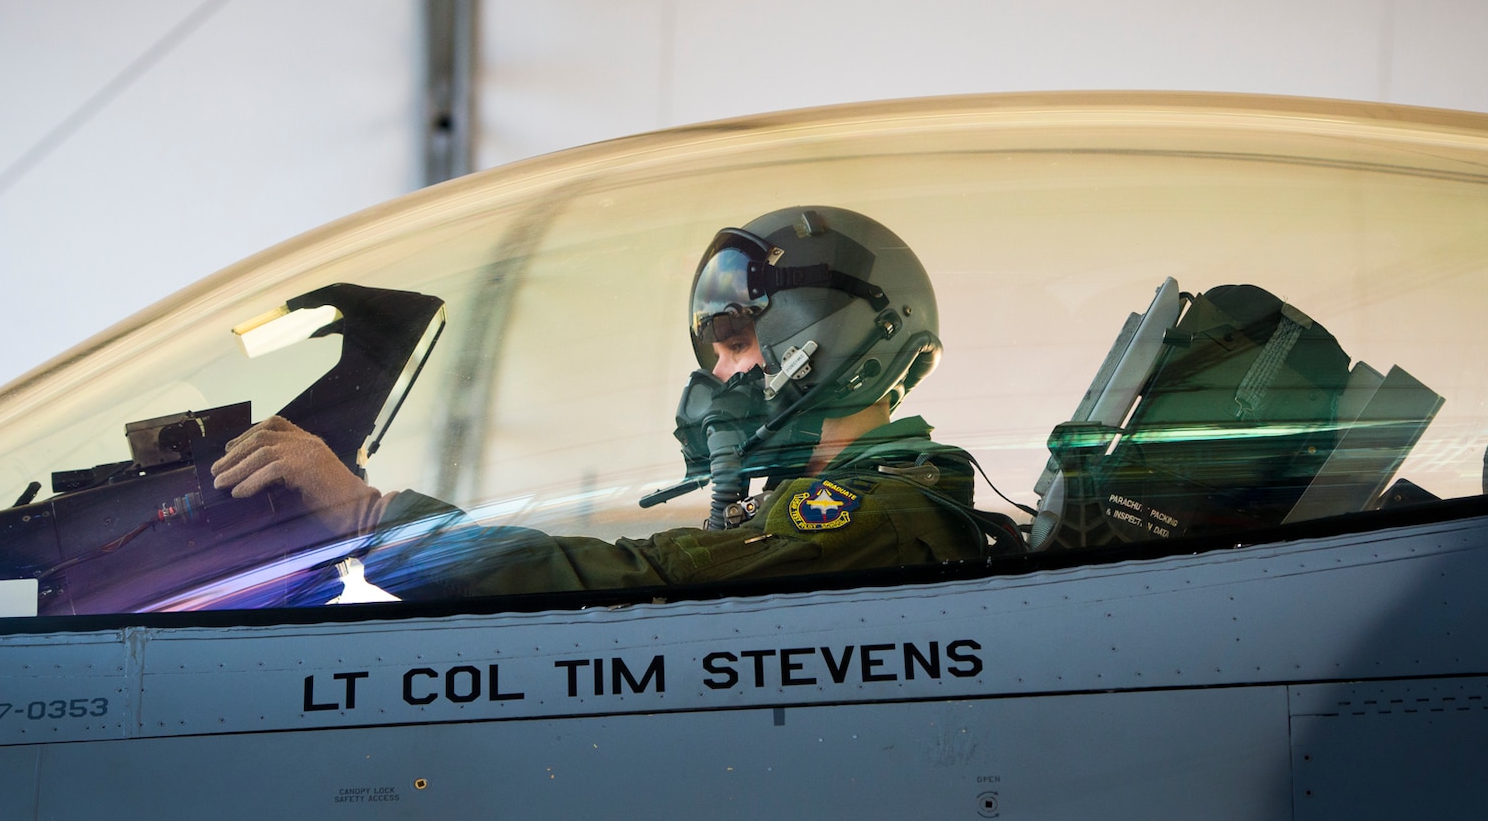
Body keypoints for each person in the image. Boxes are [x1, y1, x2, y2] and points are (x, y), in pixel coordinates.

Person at [208, 206, 1012, 603]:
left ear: (831, 340)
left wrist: (371, 517)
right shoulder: (820, 511)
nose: (721, 374)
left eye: (735, 340)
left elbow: (638, 582)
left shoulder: (882, 520)